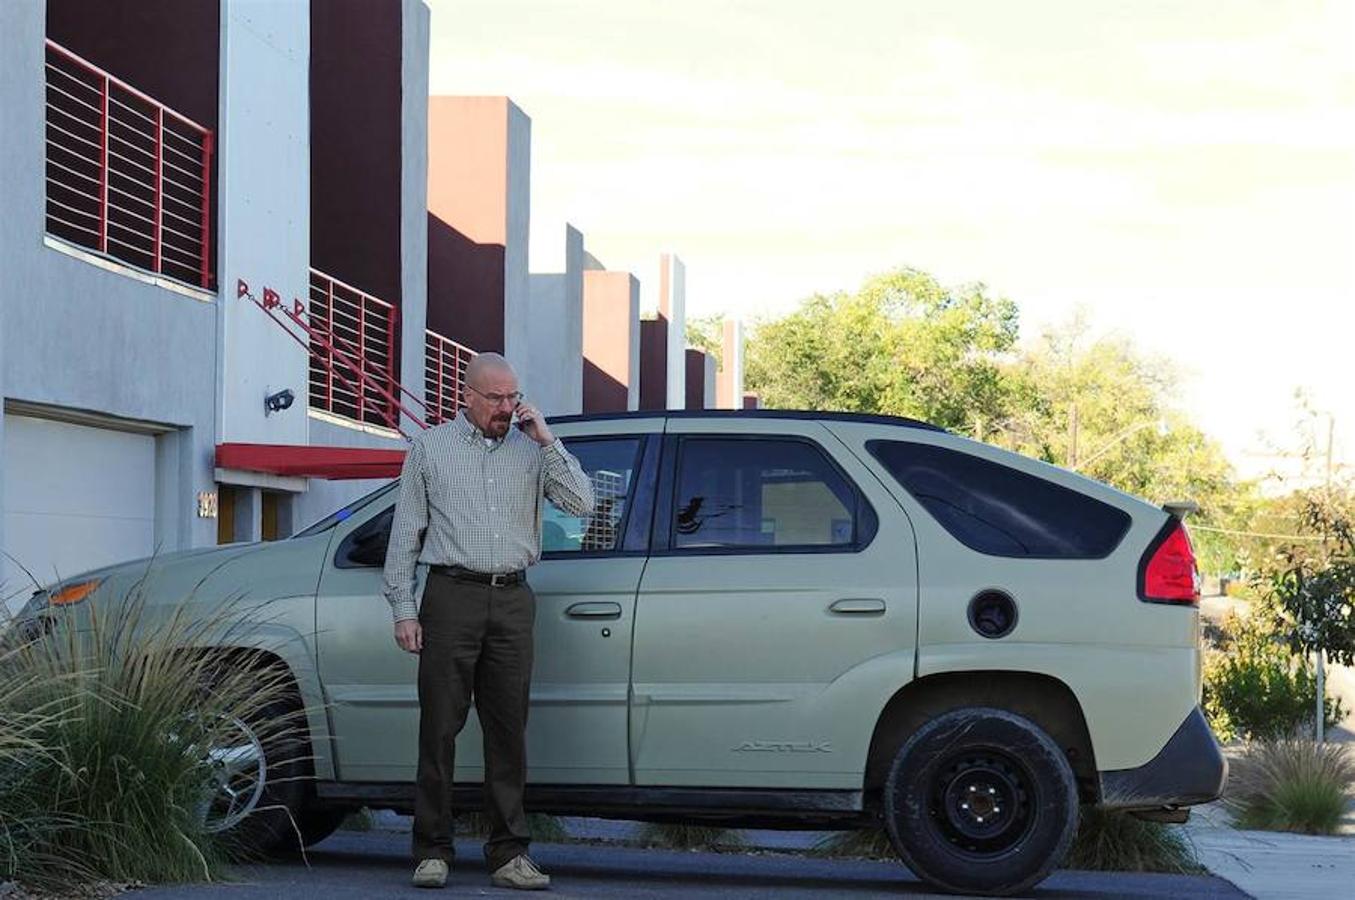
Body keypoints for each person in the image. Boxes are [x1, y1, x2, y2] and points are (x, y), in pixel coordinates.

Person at [382, 353, 594, 891]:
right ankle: (432, 850)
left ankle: (509, 854)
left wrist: (549, 440)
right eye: (496, 398)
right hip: (450, 596)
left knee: (508, 733)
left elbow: (583, 504)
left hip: (513, 600)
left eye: (513, 397)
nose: (507, 407)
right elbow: (405, 534)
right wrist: (404, 609)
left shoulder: (533, 451)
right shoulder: (430, 449)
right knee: (440, 729)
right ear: (467, 396)